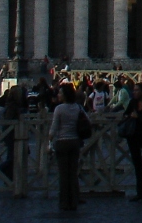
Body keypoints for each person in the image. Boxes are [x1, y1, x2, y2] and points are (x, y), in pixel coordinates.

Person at [49, 83, 87, 212]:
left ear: (64, 95)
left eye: (60, 93)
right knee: (72, 173)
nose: (58, 95)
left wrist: (49, 142)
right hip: (75, 141)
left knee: (64, 174)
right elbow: (87, 120)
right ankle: (74, 201)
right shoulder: (78, 107)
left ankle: (64, 202)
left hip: (62, 142)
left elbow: (53, 129)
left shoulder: (59, 109)